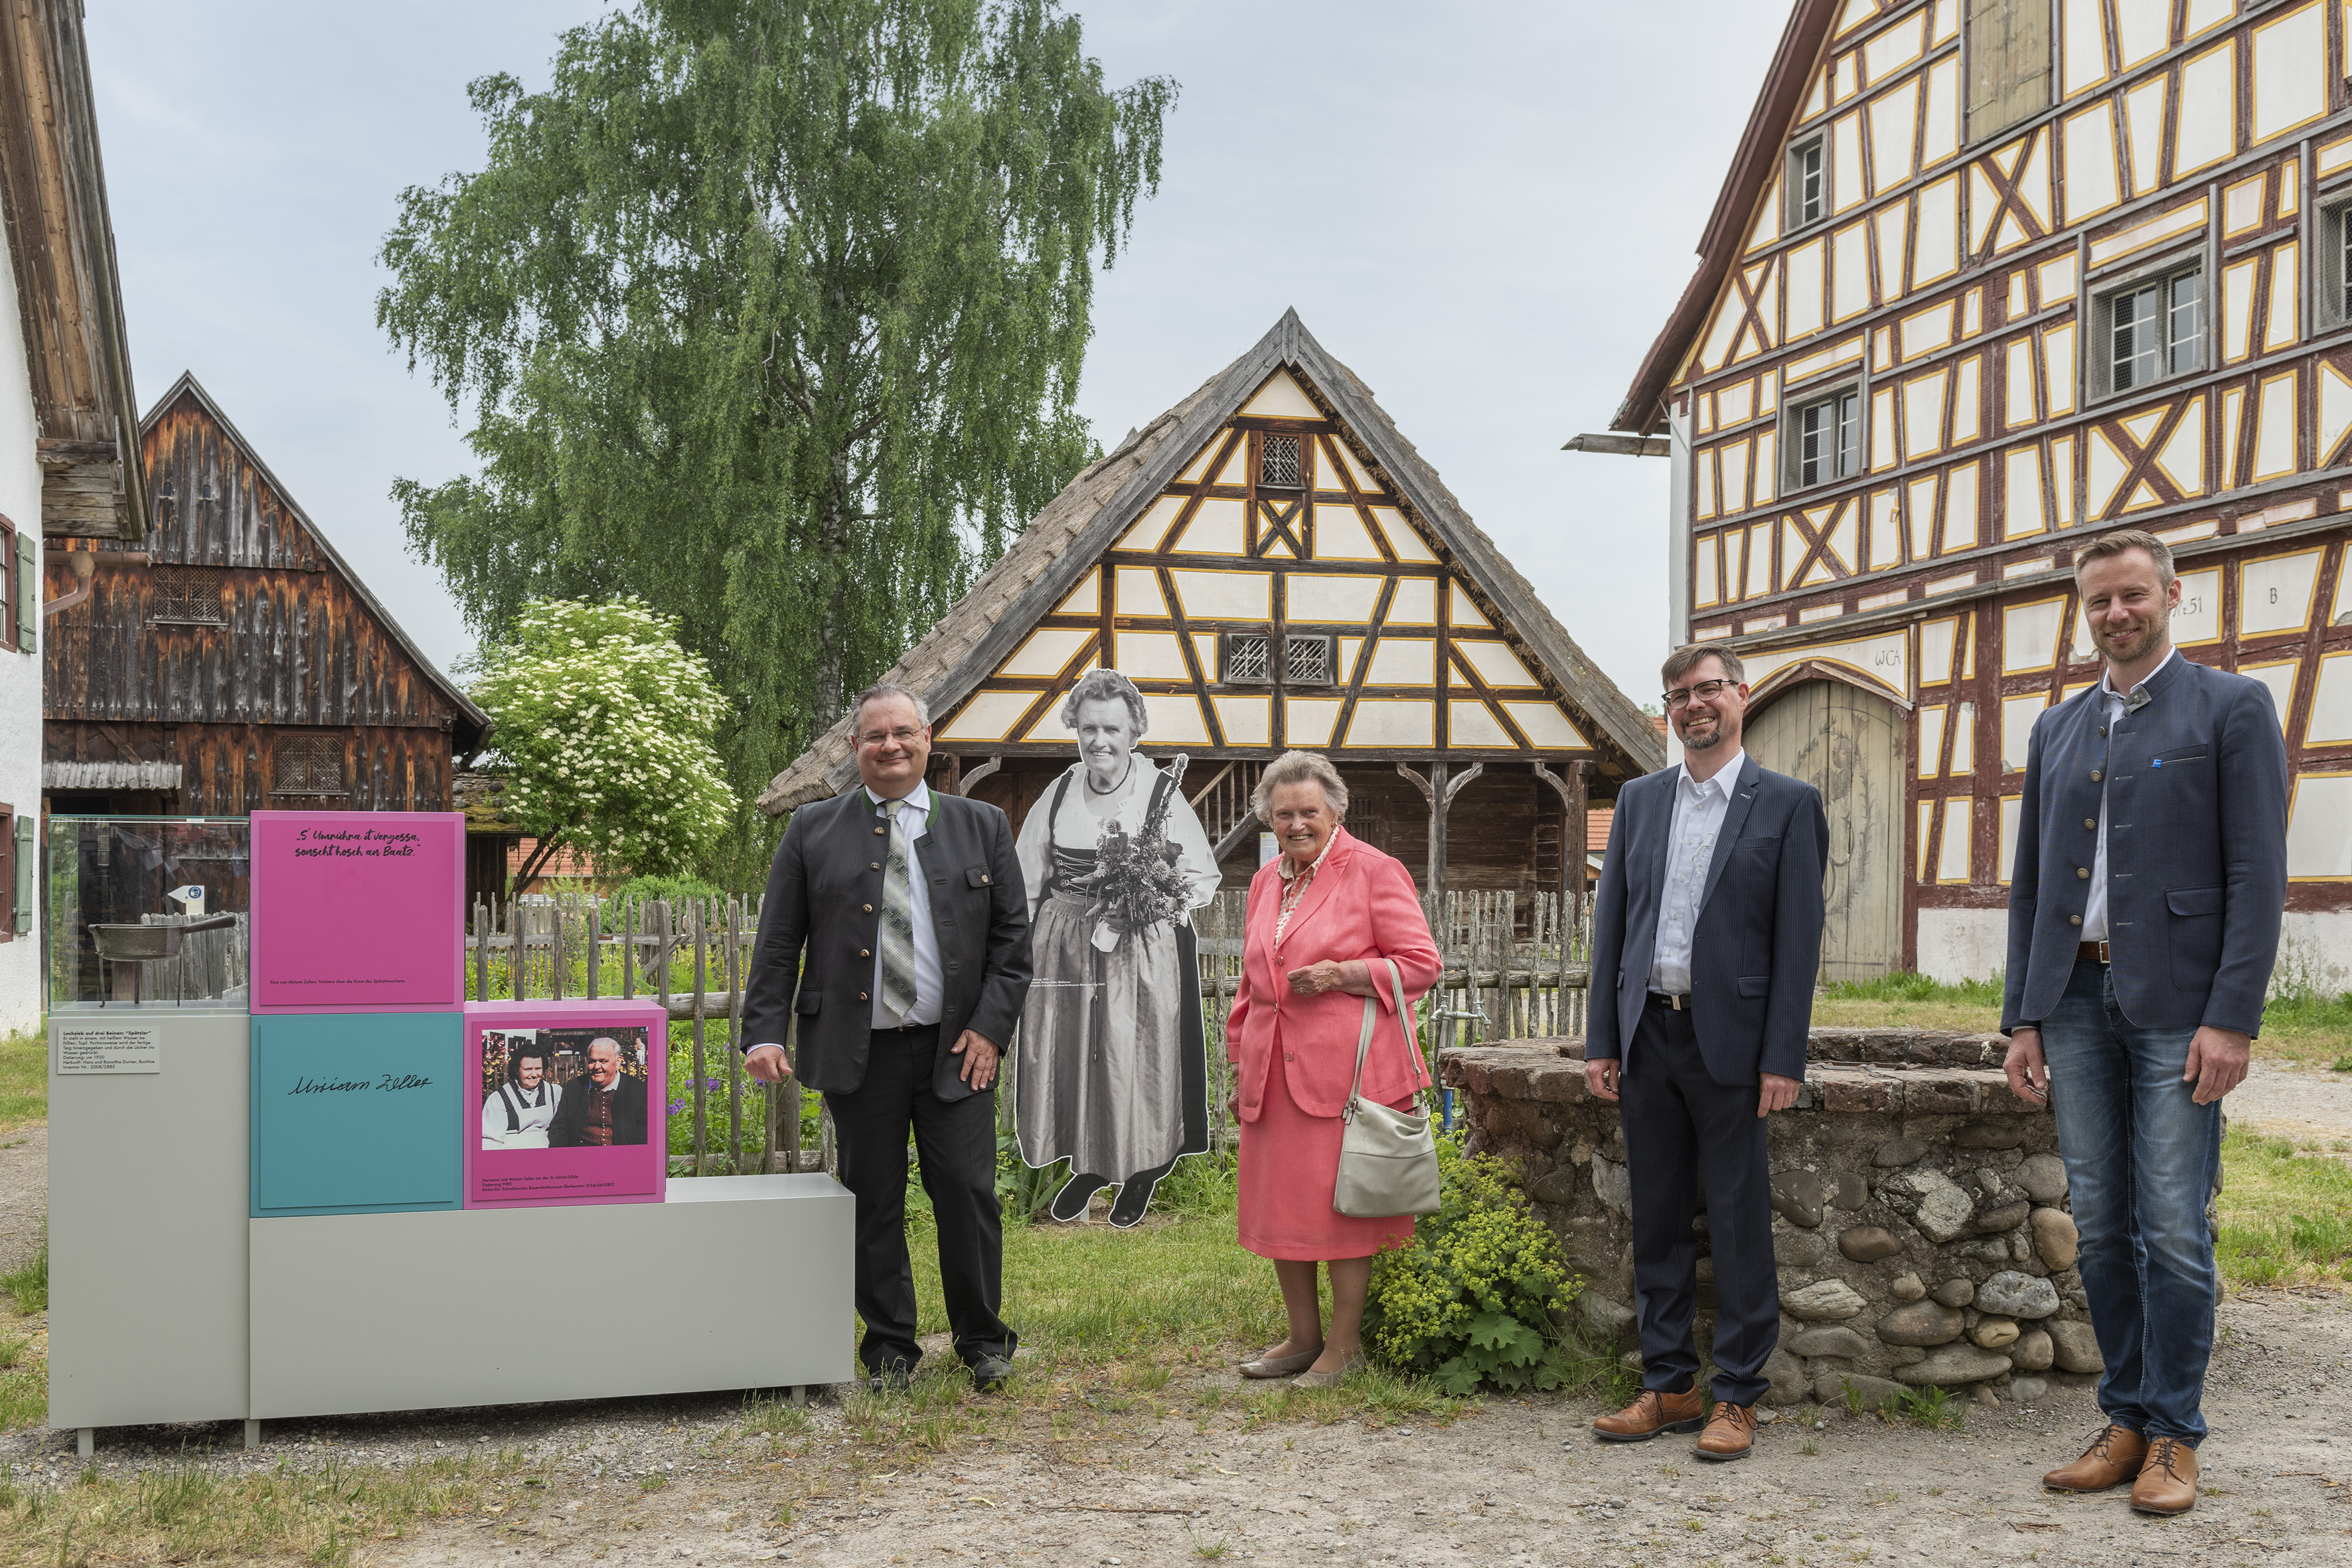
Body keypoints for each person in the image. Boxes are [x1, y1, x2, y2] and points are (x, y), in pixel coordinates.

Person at [2001, 529, 2288, 1516]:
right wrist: (2022, 1015)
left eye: (2131, 595)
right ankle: (2122, 1416)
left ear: (2171, 594)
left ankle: (2174, 1433)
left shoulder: (2229, 707)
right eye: (2096, 601)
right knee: (2095, 1229)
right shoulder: (2056, 728)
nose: (2114, 614)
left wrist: (2231, 1017)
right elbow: (2032, 885)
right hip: (2071, 1001)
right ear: (2080, 609)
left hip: (2178, 1009)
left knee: (2170, 1225)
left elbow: (2256, 874)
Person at [740, 682, 1032, 1393]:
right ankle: (890, 1348)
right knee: (872, 1198)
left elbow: (1012, 943)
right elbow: (779, 941)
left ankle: (982, 1340)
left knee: (966, 1193)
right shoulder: (811, 830)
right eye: (876, 735)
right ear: (854, 748)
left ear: (929, 738)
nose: (891, 745)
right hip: (857, 1050)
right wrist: (763, 1032)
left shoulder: (982, 825)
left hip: (955, 1048)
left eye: (904, 732)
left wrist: (991, 1030)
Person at [1583, 643, 1827, 1463]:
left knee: (1737, 1220)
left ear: (1741, 696)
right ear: (1668, 710)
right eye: (1680, 694)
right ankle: (1669, 1384)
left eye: (1709, 689)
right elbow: (1610, 926)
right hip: (1648, 1033)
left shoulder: (1788, 805)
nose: (1695, 704)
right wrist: (1602, 1039)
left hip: (1735, 1042)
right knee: (1655, 1216)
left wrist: (1783, 1057)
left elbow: (1799, 944)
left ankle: (1738, 1395)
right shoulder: (1641, 800)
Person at [1224, 750, 1439, 1386]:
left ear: (1335, 811)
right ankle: (1300, 1337)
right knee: (1281, 1210)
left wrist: (1345, 974)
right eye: (1282, 814)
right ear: (1268, 820)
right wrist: (1240, 1060)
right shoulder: (1267, 881)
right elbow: (1250, 982)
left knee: (1343, 1213)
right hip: (1272, 1071)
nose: (1295, 824)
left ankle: (1344, 1347)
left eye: (1308, 812)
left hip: (1347, 1078)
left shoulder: (1374, 871)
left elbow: (1421, 964)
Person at [1014, 668, 1221, 1227]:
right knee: (1075, 1048)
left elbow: (1202, 876)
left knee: (1136, 1052)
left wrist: (1149, 902)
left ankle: (1141, 1171)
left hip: (1142, 945)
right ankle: (1089, 1165)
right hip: (1065, 944)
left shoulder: (1160, 793)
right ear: (1074, 731)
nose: (1098, 741)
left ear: (1134, 731)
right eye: (1087, 729)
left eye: (1110, 728)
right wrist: (1023, 944)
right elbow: (1027, 878)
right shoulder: (1057, 794)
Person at [547, 1036, 649, 1146]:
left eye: (603, 1061)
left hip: (621, 1157)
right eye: (592, 1061)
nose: (597, 1067)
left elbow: (645, 1134)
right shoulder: (574, 1088)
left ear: (618, 1062)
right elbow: (559, 1128)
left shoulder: (638, 1090)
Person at [483, 1040, 561, 1150]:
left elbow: (560, 1128)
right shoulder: (500, 1098)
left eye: (538, 1069)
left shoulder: (553, 1093)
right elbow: (490, 1141)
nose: (534, 1074)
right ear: (516, 1070)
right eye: (528, 1069)